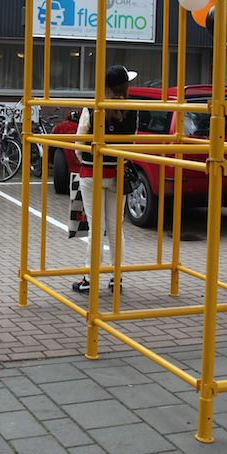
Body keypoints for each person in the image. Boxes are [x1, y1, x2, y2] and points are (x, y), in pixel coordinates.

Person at [72, 65, 139, 293]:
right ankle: (116, 277)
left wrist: (86, 160)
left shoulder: (93, 107)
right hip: (118, 173)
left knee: (96, 228)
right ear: (125, 86)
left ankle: (89, 279)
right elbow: (131, 142)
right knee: (115, 229)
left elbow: (79, 143)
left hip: (92, 172)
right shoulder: (133, 109)